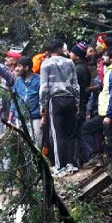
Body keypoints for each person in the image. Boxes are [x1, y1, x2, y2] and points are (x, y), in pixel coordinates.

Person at [81, 48, 112, 174]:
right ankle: (97, 157)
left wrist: (110, 115)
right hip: (107, 114)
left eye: (105, 55)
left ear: (111, 59)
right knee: (87, 129)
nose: (103, 57)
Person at [39, 39, 80, 173]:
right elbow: (75, 84)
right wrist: (77, 101)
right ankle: (70, 163)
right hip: (70, 98)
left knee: (57, 134)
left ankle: (60, 166)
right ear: (58, 49)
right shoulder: (70, 62)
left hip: (55, 99)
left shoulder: (46, 64)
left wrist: (43, 105)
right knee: (69, 132)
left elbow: (44, 87)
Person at [10, 56, 42, 147]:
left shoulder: (39, 80)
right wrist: (10, 118)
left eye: (19, 66)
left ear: (26, 68)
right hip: (20, 118)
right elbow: (14, 100)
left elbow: (44, 99)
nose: (16, 69)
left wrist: (44, 118)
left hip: (35, 118)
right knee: (22, 144)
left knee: (37, 145)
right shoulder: (18, 81)